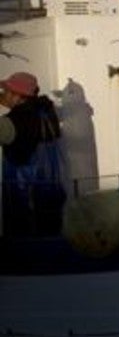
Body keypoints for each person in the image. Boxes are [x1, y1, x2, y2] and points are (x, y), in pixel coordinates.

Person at [0, 72, 65, 236]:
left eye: (7, 91)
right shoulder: (46, 114)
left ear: (18, 96)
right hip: (49, 196)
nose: (3, 94)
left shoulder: (11, 122)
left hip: (23, 201)